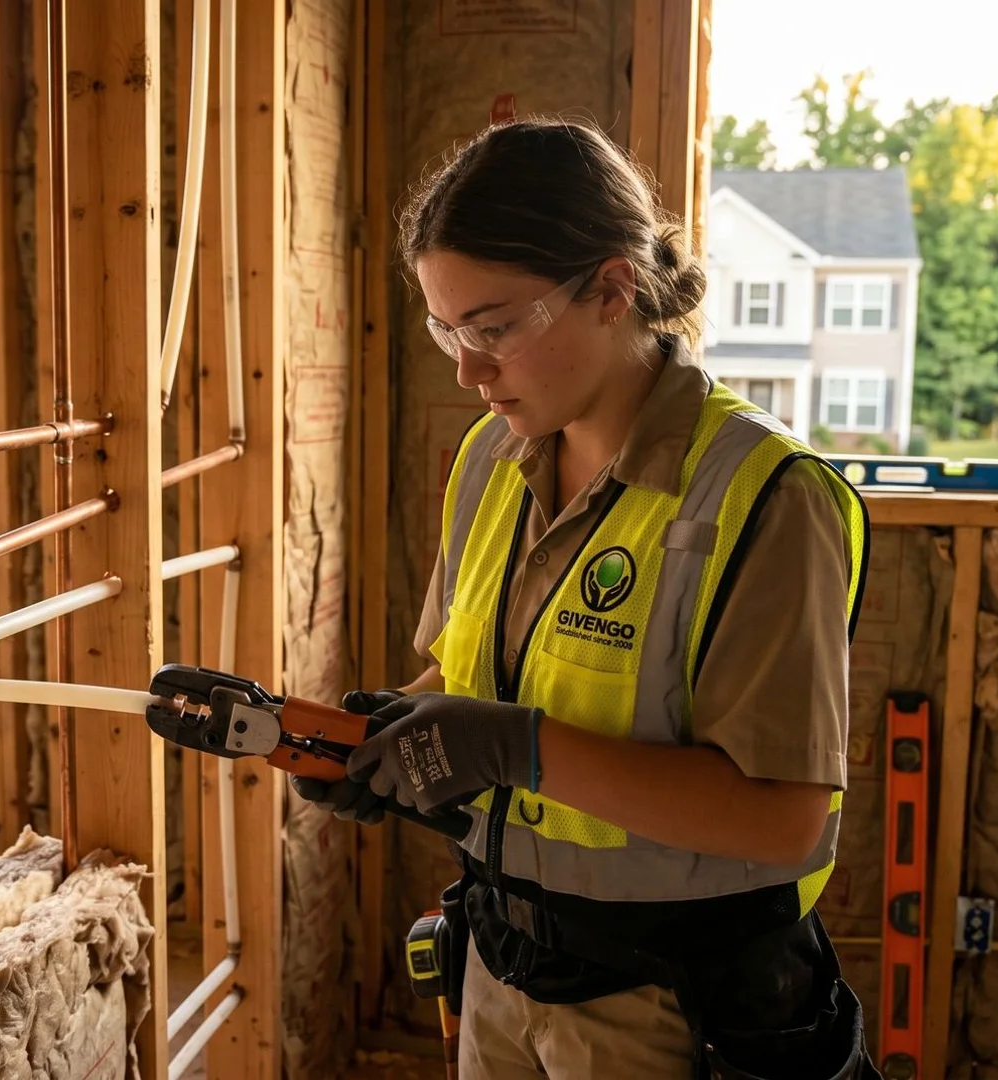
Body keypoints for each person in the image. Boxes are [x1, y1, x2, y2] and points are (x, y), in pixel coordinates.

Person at [292, 115, 880, 1080]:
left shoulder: (767, 495)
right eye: (445, 328)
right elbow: (468, 670)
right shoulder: (493, 456)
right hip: (501, 960)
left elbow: (782, 819)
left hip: (674, 1002)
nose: (467, 371)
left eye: (494, 328)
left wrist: (512, 747)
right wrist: (386, 740)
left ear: (613, 288)